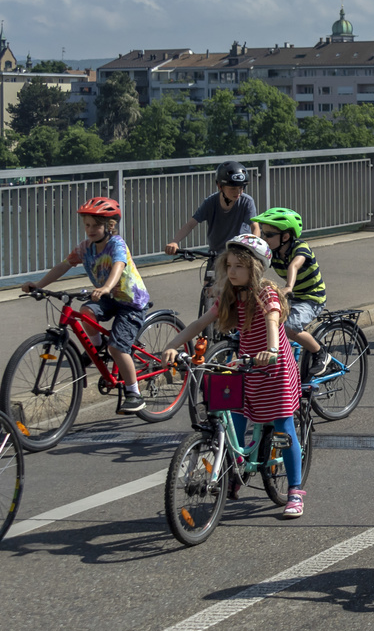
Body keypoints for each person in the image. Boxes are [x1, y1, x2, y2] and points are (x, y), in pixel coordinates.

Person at [162, 235, 305, 517]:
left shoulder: (266, 293)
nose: (231, 271)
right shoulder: (230, 295)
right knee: (234, 417)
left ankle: (295, 491)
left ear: (254, 268)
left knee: (282, 427)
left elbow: (273, 321)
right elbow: (200, 323)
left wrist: (272, 350)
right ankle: (233, 472)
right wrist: (172, 345)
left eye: (239, 266)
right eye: (228, 265)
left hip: (274, 366)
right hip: (246, 365)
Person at [23, 197, 150, 414]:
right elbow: (64, 266)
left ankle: (133, 393)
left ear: (110, 226)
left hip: (130, 302)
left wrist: (107, 286)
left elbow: (118, 265)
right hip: (107, 298)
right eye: (87, 225)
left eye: (96, 225)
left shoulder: (116, 244)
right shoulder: (85, 248)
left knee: (118, 347)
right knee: (86, 312)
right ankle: (98, 346)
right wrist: (39, 284)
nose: (90, 230)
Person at [250, 208, 328, 378]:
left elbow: (294, 265)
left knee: (289, 326)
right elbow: (256, 266)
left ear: (285, 237)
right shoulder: (273, 252)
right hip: (291, 297)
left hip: (311, 298)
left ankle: (321, 353)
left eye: (269, 234)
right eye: (263, 233)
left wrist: (288, 286)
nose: (264, 238)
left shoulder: (301, 248)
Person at [164, 160, 260, 260]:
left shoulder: (247, 202)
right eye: (233, 188)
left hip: (239, 254)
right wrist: (175, 242)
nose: (238, 192)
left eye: (241, 187)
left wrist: (252, 246)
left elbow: (255, 227)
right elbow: (190, 225)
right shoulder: (210, 202)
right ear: (219, 186)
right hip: (216, 255)